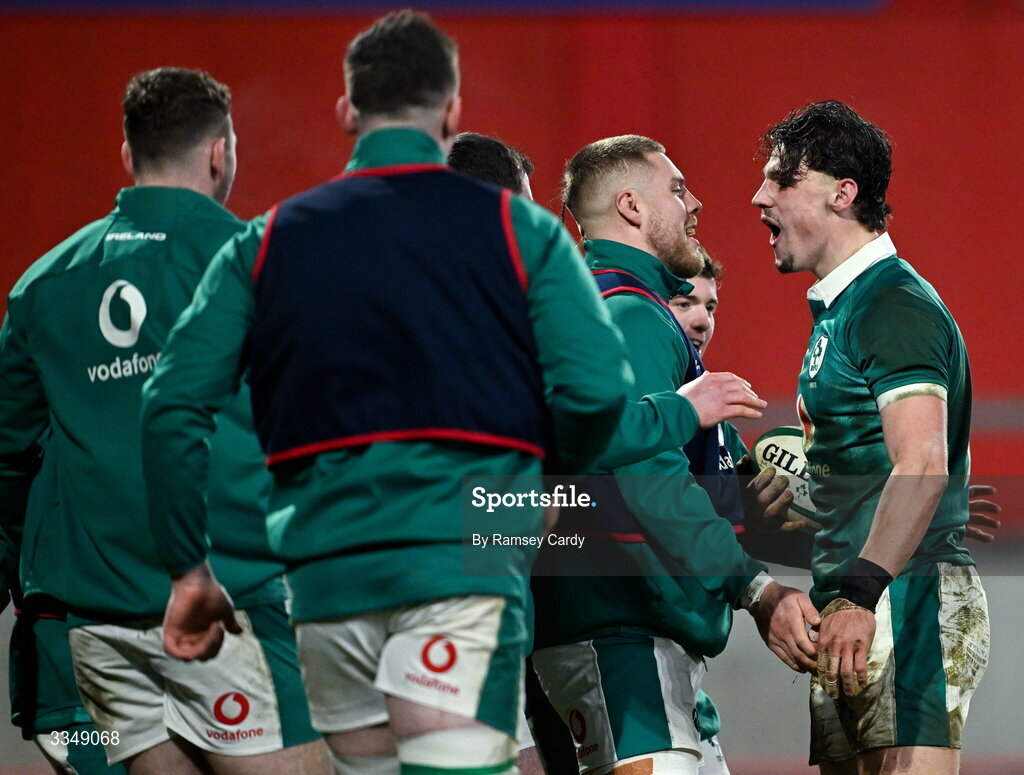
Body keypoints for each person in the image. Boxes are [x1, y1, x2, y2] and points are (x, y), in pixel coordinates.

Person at [138, 13, 639, 775]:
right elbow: (600, 388)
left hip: (326, 583)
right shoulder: (517, 232)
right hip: (455, 570)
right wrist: (535, 480)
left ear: (348, 112)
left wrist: (188, 570)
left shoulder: (266, 241)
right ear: (451, 114)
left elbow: (171, 405)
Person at [0, 67, 327, 775]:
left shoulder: (40, 285)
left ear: (129, 155)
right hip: (227, 603)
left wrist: (27, 577)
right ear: (221, 153)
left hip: (98, 620)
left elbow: (7, 455)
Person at [529, 135, 821, 775]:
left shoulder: (611, 307)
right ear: (631, 206)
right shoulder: (629, 314)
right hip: (620, 636)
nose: (696, 203)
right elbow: (648, 485)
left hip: (639, 637)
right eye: (678, 188)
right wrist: (756, 588)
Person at [752, 100, 989, 775]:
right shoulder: (841, 312)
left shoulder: (892, 304)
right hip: (854, 602)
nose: (758, 195)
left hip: (903, 600)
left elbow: (923, 460)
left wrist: (858, 592)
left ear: (841, 192)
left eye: (780, 179)